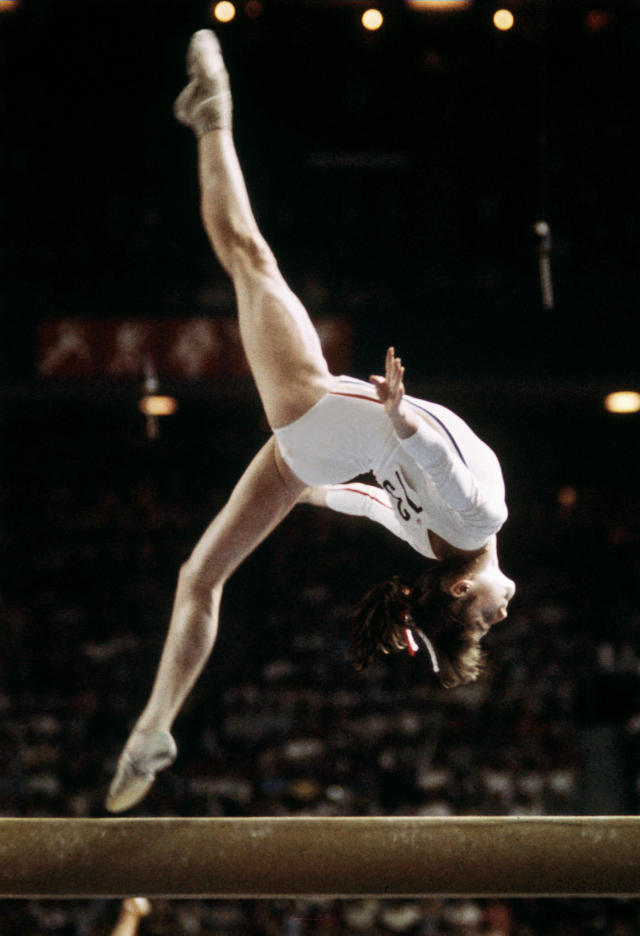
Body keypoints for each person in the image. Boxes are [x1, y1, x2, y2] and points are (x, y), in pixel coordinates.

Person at [105, 29, 515, 813]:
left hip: (316, 414)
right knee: (200, 576)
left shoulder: (475, 520)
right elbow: (367, 500)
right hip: (311, 453)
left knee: (250, 254)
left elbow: (437, 470)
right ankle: (154, 727)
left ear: (461, 590)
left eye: (485, 621)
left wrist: (399, 424)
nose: (501, 615)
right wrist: (303, 489)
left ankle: (214, 114)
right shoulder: (434, 544)